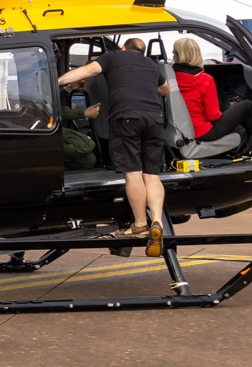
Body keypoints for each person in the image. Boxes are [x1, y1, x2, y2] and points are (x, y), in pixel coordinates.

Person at [59, 37, 173, 254]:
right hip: (154, 119)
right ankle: (157, 221)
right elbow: (166, 90)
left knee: (133, 174)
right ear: (143, 52)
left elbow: (87, 71)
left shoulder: (113, 56)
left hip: (127, 118)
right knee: (152, 175)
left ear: (123, 48)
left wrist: (57, 81)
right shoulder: (150, 64)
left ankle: (140, 225)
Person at [171, 38, 252, 152]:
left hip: (182, 130)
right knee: (247, 106)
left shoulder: (171, 78)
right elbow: (212, 116)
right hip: (202, 132)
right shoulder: (205, 80)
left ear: (177, 56)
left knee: (221, 105)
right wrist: (223, 112)